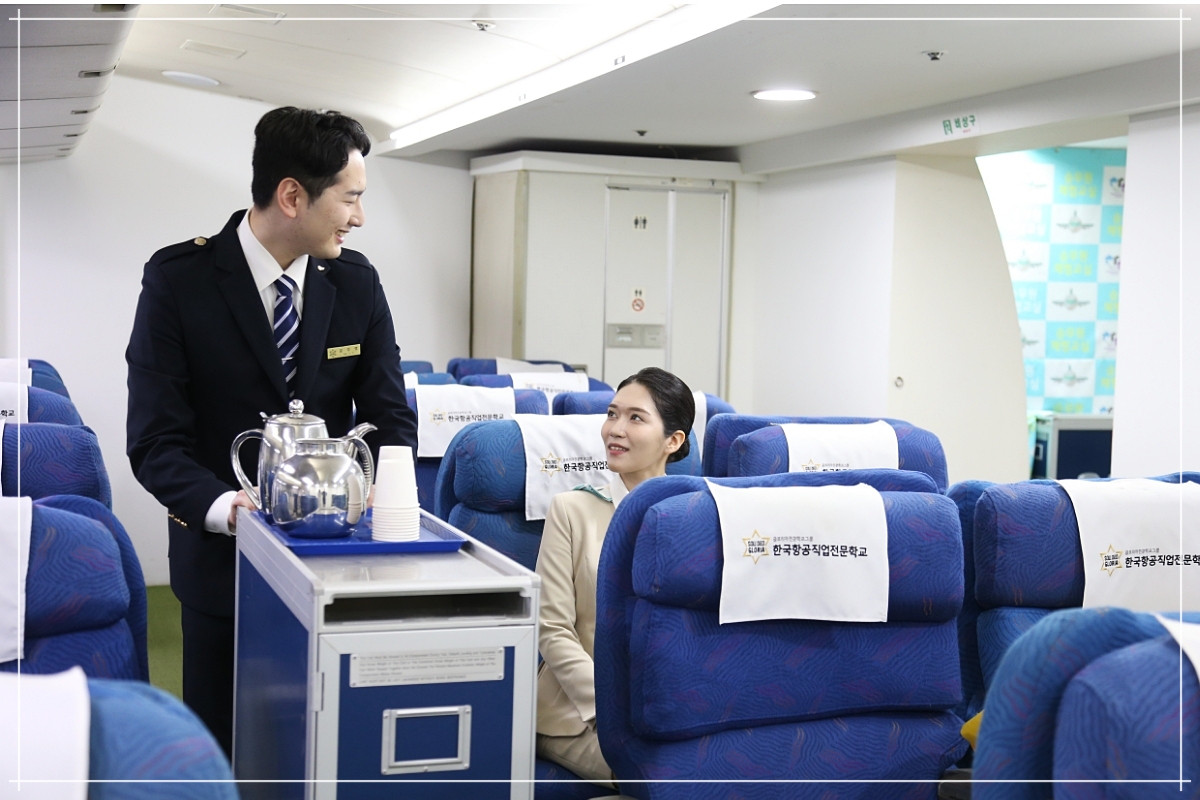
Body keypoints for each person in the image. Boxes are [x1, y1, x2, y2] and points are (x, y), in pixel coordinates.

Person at [126, 107, 418, 756]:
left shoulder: (357, 284)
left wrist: (379, 492)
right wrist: (228, 508)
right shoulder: (180, 281)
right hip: (221, 570)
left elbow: (390, 416)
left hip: (336, 564)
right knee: (226, 747)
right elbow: (155, 441)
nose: (359, 217)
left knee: (325, 748)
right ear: (292, 196)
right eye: (350, 198)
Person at [534, 367, 695, 786]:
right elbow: (552, 629)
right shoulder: (571, 510)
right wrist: (614, 707)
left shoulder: (691, 514)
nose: (615, 429)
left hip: (666, 710)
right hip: (578, 714)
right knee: (664, 779)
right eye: (612, 414)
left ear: (673, 441)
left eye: (635, 418)